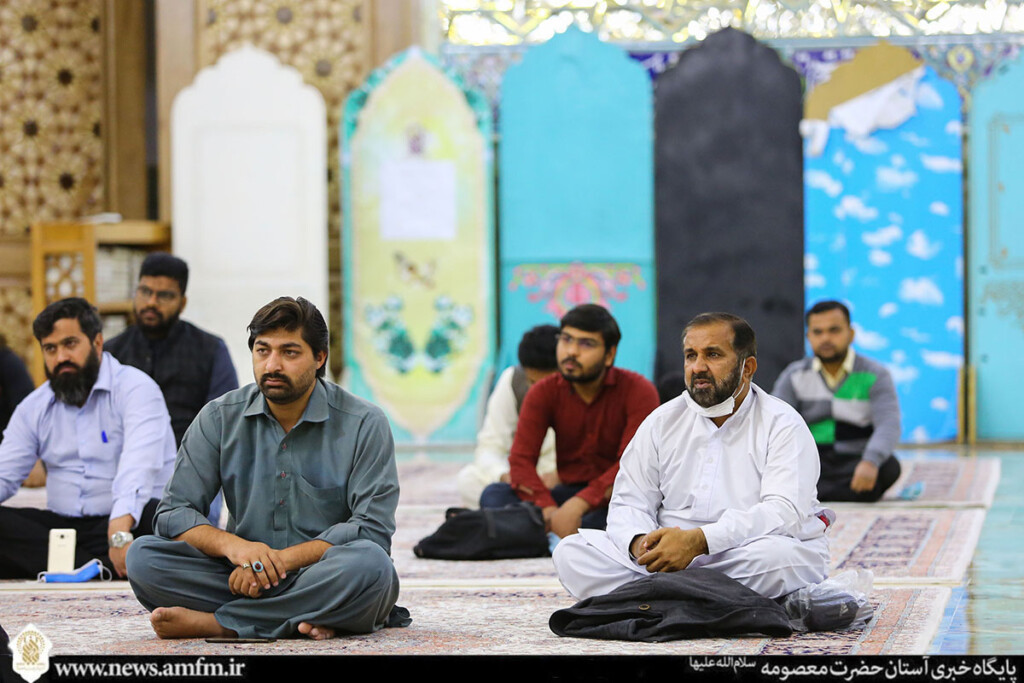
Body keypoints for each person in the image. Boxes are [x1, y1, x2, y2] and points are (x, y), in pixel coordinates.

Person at [126, 297, 401, 640]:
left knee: (372, 568)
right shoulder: (219, 418)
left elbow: (372, 530)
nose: (272, 365)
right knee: (143, 558)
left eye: (289, 352)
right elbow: (173, 514)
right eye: (262, 351)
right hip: (238, 577)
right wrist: (237, 549)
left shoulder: (364, 423)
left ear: (320, 357)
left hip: (322, 572)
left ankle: (221, 624)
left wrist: (280, 562)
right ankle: (308, 616)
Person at [553, 312, 832, 605]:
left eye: (713, 355)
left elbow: (782, 512)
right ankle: (704, 600)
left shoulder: (782, 423)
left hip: (741, 553)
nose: (698, 367)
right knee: (572, 553)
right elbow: (629, 501)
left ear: (747, 367)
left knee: (779, 559)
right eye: (690, 355)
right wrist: (642, 545)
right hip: (664, 559)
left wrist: (699, 541)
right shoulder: (662, 421)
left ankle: (657, 598)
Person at [0, 298, 176, 578]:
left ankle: (70, 565)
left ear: (97, 343)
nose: (61, 358)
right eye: (50, 348)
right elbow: (4, 473)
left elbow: (138, 468)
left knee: (164, 520)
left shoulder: (137, 389)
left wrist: (119, 531)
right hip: (62, 529)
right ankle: (96, 567)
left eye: (70, 344)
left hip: (129, 522)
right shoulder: (34, 407)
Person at [480, 304, 660, 539]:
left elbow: (631, 467)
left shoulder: (638, 391)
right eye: (566, 340)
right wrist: (549, 509)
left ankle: (538, 534)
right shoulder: (543, 391)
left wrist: (579, 505)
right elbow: (521, 460)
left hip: (616, 497)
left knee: (630, 518)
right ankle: (561, 532)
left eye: (586, 344)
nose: (571, 351)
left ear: (609, 355)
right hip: (564, 495)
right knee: (495, 495)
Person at [772, 300, 901, 502]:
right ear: (808, 337)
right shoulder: (794, 375)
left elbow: (889, 424)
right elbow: (775, 422)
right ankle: (846, 494)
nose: (826, 338)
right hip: (811, 461)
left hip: (856, 461)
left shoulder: (876, 374)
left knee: (889, 468)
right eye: (818, 332)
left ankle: (812, 495)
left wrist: (870, 461)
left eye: (834, 330)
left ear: (851, 334)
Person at [105, 252, 237, 447]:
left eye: (164, 296)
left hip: (189, 459)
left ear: (182, 303)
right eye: (145, 291)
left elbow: (225, 421)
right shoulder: (112, 353)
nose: (151, 302)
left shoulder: (211, 350)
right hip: (124, 457)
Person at [457, 324, 560, 507]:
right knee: (469, 480)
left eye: (547, 383)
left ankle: (516, 514)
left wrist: (559, 476)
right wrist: (506, 475)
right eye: (533, 382)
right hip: (523, 483)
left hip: (563, 483)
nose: (539, 391)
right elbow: (491, 446)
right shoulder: (513, 381)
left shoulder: (580, 387)